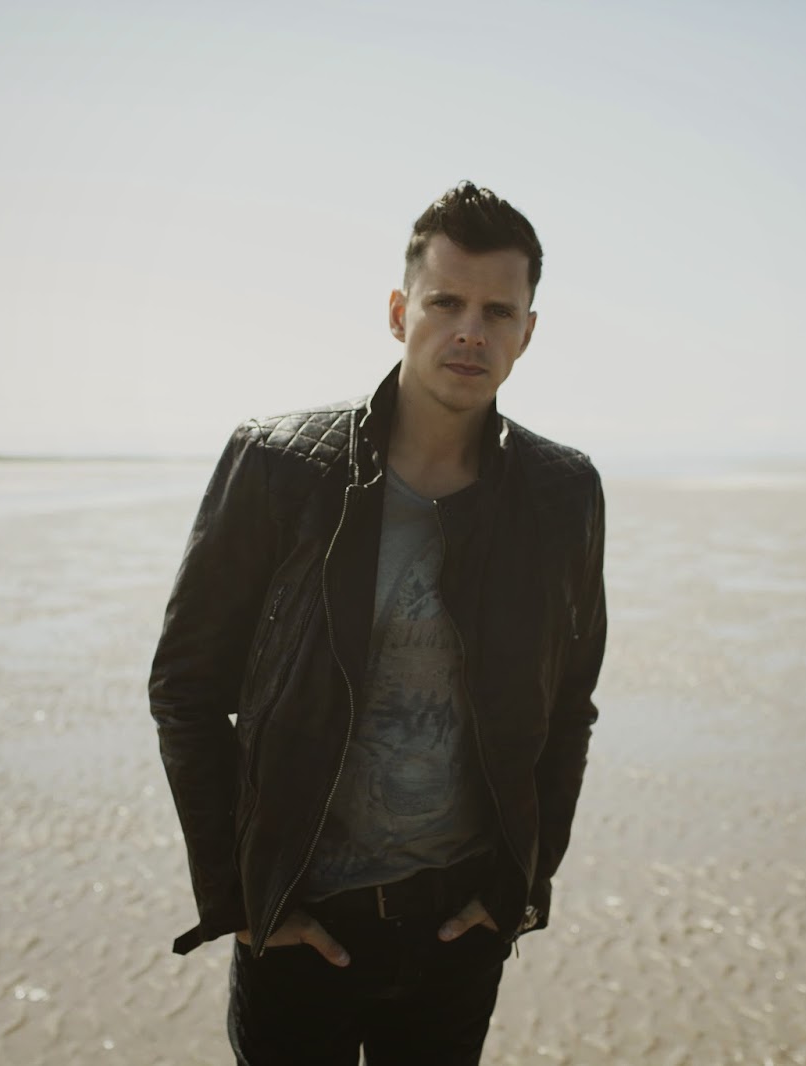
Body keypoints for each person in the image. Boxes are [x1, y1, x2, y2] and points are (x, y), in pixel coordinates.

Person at [147, 180, 607, 1065]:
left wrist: (520, 888)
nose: (470, 331)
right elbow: (186, 689)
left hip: (458, 931)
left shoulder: (561, 493)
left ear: (527, 332)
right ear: (400, 313)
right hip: (299, 922)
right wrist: (240, 899)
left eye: (498, 311)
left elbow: (570, 708)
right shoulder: (281, 466)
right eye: (445, 303)